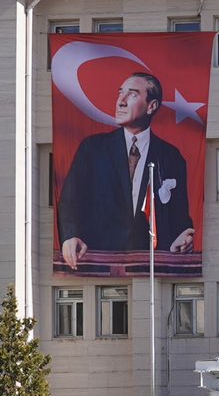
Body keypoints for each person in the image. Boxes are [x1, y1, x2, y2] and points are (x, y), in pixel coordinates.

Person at [58, 70, 197, 267]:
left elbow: (179, 215)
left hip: (149, 262)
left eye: (131, 94)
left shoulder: (170, 156)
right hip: (97, 258)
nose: (120, 101)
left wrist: (184, 235)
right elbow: (70, 200)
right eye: (120, 93)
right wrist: (70, 236)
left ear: (151, 106)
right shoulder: (93, 149)